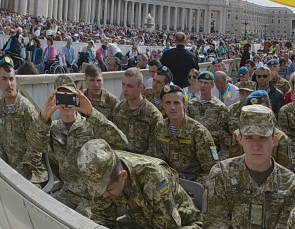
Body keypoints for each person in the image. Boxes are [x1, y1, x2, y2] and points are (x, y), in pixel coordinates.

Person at [29, 75, 126, 224]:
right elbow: (36, 146)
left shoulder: (92, 124)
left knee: (75, 223)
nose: (66, 104)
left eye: (70, 97)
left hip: (93, 197)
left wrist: (92, 113)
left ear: (77, 97)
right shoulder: (53, 128)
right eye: (62, 97)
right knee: (40, 216)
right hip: (68, 192)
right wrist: (44, 117)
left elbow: (121, 141)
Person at [206, 105, 295, 228]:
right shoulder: (221, 174)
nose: (256, 146)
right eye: (249, 138)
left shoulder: (290, 183)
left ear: (274, 140)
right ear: (239, 139)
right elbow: (214, 223)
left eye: (263, 138)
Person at [76, 138, 202, 229]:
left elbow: (167, 226)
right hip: (141, 220)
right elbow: (102, 217)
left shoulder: (154, 179)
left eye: (108, 190)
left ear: (123, 175)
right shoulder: (102, 170)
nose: (104, 195)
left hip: (181, 224)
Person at [147, 84, 219, 183]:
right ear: (162, 105)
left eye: (176, 103)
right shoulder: (160, 127)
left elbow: (211, 169)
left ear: (184, 104)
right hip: (170, 180)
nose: (172, 107)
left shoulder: (198, 132)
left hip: (195, 182)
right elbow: (159, 161)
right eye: (168, 103)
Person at [0, 56, 47, 186]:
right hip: (8, 173)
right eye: (4, 79)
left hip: (31, 175)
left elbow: (36, 147)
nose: (9, 84)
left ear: (15, 81)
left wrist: (17, 174)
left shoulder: (26, 108)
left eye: (11, 79)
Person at [113, 67, 163, 155]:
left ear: (140, 88)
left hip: (144, 163)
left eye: (130, 86)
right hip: (121, 159)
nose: (125, 89)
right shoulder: (119, 108)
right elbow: (114, 139)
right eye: (123, 84)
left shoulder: (153, 115)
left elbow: (154, 149)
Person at [187, 70, 232, 159]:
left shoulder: (220, 107)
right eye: (200, 82)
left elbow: (225, 135)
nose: (203, 85)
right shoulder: (190, 105)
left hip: (213, 147)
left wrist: (222, 155)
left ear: (212, 85)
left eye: (206, 83)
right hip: (193, 147)